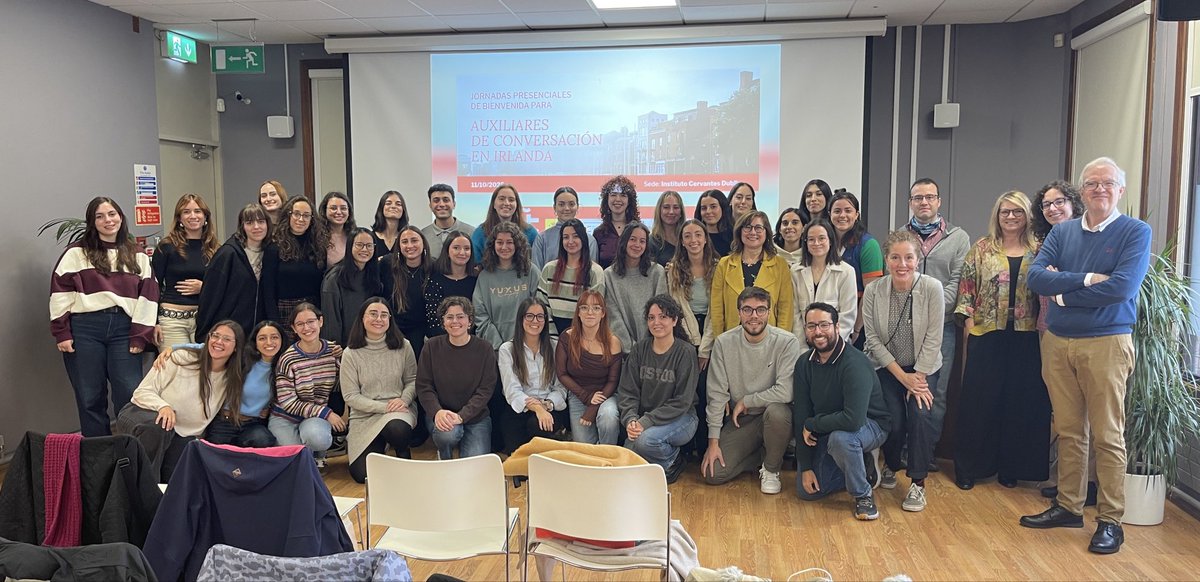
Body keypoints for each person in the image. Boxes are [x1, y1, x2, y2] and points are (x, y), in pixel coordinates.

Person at [1021, 157, 1152, 555]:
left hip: (1107, 342)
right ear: (1082, 191)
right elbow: (1036, 277)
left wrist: (1062, 293)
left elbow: (1122, 289)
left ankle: (1111, 520)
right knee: (1069, 429)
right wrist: (1085, 280)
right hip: (1058, 342)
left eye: (1107, 183)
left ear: (1120, 190)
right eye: (1092, 184)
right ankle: (1068, 506)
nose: (1099, 189)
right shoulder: (1062, 232)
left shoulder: (1135, 232)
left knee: (1108, 434)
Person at [953, 191, 1049, 491]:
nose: (1010, 217)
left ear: (1027, 216)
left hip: (1027, 335)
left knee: (1020, 402)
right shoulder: (981, 249)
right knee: (979, 402)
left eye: (1017, 212)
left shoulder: (1041, 249)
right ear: (997, 215)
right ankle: (971, 468)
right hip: (987, 332)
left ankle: (1012, 468)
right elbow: (966, 289)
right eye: (1005, 212)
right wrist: (967, 321)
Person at [51, 196, 157, 437]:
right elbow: (60, 293)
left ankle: (129, 457)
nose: (107, 220)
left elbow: (149, 297)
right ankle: (97, 461)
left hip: (124, 330)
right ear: (92, 222)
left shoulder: (137, 254)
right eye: (100, 216)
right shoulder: (76, 253)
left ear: (120, 217)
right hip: (85, 330)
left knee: (129, 396)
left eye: (112, 214)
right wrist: (62, 332)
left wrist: (140, 336)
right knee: (90, 397)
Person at [862, 230, 944, 511]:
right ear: (886, 260)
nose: (902, 264)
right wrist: (902, 377)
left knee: (920, 415)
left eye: (908, 257)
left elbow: (934, 337)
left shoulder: (932, 288)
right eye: (895, 257)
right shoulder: (874, 291)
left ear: (917, 260)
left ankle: (918, 484)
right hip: (888, 368)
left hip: (923, 368)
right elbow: (871, 339)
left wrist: (917, 379)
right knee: (894, 421)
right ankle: (892, 465)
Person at [793, 302, 892, 521]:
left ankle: (863, 494)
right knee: (807, 492)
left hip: (869, 424)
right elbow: (801, 415)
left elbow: (853, 420)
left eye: (824, 325)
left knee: (842, 440)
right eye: (811, 326)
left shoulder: (854, 363)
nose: (817, 331)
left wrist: (813, 425)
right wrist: (807, 466)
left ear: (837, 327)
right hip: (829, 426)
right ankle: (860, 465)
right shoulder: (803, 363)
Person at [116, 321, 244, 482]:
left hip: (181, 434)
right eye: (215, 336)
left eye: (226, 339)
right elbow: (141, 392)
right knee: (159, 427)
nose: (218, 342)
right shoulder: (181, 357)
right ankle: (142, 493)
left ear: (236, 346)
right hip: (140, 414)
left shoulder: (231, 379)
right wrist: (163, 406)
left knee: (176, 480)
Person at [701, 287, 800, 494]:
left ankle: (771, 468)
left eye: (760, 310)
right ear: (738, 313)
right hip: (743, 421)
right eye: (747, 310)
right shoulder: (723, 343)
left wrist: (747, 401)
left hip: (775, 416)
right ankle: (763, 452)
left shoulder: (787, 341)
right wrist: (713, 442)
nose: (754, 316)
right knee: (713, 473)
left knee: (777, 412)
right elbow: (716, 394)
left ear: (769, 312)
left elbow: (786, 392)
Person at [1029, 180, 1092, 501]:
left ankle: (1089, 485)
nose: (1053, 208)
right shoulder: (1046, 243)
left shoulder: (1087, 238)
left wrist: (1058, 279)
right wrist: (1056, 280)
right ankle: (1069, 485)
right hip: (1048, 329)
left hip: (1088, 334)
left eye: (1059, 202)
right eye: (1046, 205)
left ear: (1074, 203)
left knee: (1089, 413)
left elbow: (1090, 286)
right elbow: (1038, 282)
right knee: (1063, 413)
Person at [903, 178, 970, 460]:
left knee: (937, 393)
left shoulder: (958, 238)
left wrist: (931, 310)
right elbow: (895, 280)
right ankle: (904, 451)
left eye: (930, 197)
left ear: (939, 202)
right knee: (907, 389)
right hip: (905, 328)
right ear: (911, 203)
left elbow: (958, 282)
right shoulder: (900, 237)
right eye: (918, 198)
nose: (924, 202)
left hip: (943, 328)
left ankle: (926, 452)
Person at [617, 295, 698, 483]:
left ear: (674, 320)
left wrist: (646, 421)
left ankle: (673, 460)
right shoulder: (639, 349)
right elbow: (628, 391)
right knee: (627, 459)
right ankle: (657, 465)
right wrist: (630, 419)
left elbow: (682, 401)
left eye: (663, 317)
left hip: (683, 418)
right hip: (646, 421)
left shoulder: (685, 352)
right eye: (651, 317)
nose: (656, 322)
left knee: (645, 442)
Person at [340, 298, 418, 484]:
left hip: (399, 410)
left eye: (384, 315)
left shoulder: (403, 346)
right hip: (364, 415)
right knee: (362, 476)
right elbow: (350, 396)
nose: (379, 319)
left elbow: (413, 381)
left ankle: (402, 451)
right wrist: (383, 408)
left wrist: (404, 400)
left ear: (390, 319)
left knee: (396, 428)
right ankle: (381, 445)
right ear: (362, 318)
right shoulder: (350, 353)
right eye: (373, 314)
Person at [416, 296, 498, 459]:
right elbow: (424, 387)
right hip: (442, 414)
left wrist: (462, 416)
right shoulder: (431, 347)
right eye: (449, 317)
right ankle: (444, 456)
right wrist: (437, 412)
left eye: (460, 316)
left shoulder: (485, 349)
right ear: (443, 322)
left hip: (476, 417)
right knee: (447, 435)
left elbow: (485, 390)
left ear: (470, 321)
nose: (455, 321)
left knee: (474, 466)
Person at [269, 303, 344, 469]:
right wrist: (327, 413)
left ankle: (317, 454)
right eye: (300, 324)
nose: (307, 328)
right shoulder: (287, 358)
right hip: (285, 417)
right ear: (294, 329)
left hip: (314, 417)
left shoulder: (333, 352)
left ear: (321, 321)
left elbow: (345, 383)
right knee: (295, 459)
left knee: (318, 438)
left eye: (311, 321)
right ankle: (311, 459)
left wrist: (343, 358)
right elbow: (288, 402)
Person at [666, 219, 718, 454]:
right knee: (686, 392)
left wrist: (704, 348)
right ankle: (687, 449)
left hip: (713, 333)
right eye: (688, 236)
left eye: (698, 234)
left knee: (709, 392)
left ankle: (708, 445)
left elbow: (717, 311)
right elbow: (677, 309)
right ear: (682, 241)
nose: (693, 240)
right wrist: (690, 345)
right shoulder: (673, 269)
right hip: (684, 334)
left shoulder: (719, 267)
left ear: (706, 238)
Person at [497, 298, 569, 454]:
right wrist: (537, 408)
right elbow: (512, 391)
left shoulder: (555, 346)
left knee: (538, 425)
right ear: (521, 319)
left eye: (540, 316)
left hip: (549, 407)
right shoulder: (507, 349)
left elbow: (561, 387)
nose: (535, 321)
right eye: (529, 316)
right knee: (517, 458)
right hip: (519, 408)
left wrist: (547, 405)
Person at [710, 211, 794, 341]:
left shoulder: (780, 265)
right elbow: (716, 309)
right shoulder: (724, 264)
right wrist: (719, 339)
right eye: (747, 227)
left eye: (758, 228)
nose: (753, 232)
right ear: (740, 232)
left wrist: (781, 342)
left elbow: (785, 308)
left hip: (769, 339)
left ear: (766, 233)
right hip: (732, 338)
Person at [196, 204, 272, 340]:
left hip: (259, 333)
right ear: (242, 226)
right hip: (229, 332)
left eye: (261, 221)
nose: (256, 227)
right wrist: (204, 332)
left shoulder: (271, 253)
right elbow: (210, 295)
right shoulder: (227, 253)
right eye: (249, 222)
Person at [556, 290, 623, 445]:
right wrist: (586, 397)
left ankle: (608, 456)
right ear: (578, 313)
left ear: (603, 313)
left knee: (608, 416)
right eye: (584, 308)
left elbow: (613, 381)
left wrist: (593, 406)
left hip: (606, 394)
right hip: (578, 394)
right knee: (583, 448)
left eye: (596, 308)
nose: (590, 313)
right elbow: (562, 373)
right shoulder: (567, 337)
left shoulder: (613, 342)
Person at [204, 320, 283, 449]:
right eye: (262, 338)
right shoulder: (242, 358)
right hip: (225, 420)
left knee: (263, 439)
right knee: (216, 457)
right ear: (255, 342)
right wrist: (172, 348)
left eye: (274, 337)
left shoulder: (283, 366)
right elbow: (209, 349)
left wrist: (270, 407)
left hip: (253, 424)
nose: (269, 342)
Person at [152, 193, 217, 347]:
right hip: (171, 321)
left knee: (202, 369)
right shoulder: (166, 247)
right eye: (186, 212)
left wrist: (204, 287)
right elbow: (153, 286)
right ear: (179, 218)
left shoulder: (216, 249)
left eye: (197, 211)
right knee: (176, 368)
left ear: (205, 216)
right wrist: (154, 322)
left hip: (204, 320)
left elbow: (224, 287)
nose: (192, 216)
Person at [264, 196, 329, 339]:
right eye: (297, 214)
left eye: (306, 215)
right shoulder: (274, 248)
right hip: (284, 314)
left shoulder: (318, 247)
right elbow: (267, 289)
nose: (301, 219)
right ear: (288, 215)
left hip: (312, 312)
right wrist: (274, 323)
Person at [474, 222, 541, 349]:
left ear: (517, 244)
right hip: (494, 348)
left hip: (527, 345)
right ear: (493, 245)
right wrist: (500, 346)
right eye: (499, 242)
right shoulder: (485, 276)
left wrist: (524, 342)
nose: (504, 247)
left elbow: (539, 309)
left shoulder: (531, 271)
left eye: (509, 242)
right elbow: (480, 314)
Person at [603, 222, 668, 351]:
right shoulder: (609, 275)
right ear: (624, 241)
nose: (637, 245)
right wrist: (630, 348)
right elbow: (613, 316)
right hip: (623, 350)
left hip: (654, 347)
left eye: (642, 241)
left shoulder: (657, 272)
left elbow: (661, 312)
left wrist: (649, 346)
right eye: (632, 239)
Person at [829, 190, 882, 347]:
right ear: (829, 214)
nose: (842, 215)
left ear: (857, 214)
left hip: (859, 320)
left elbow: (870, 293)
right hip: (830, 317)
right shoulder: (825, 243)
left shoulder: (868, 245)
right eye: (837, 211)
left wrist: (856, 328)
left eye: (848, 210)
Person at [790, 220, 856, 342]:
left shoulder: (846, 272)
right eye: (811, 239)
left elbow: (848, 316)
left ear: (830, 240)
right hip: (804, 344)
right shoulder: (796, 271)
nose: (816, 243)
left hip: (835, 344)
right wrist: (802, 345)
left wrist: (831, 345)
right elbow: (795, 314)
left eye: (821, 238)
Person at [537, 218, 605, 337]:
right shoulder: (549, 269)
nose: (570, 241)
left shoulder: (595, 271)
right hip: (552, 338)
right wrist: (554, 340)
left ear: (583, 239)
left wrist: (577, 340)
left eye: (575, 236)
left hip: (584, 338)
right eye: (566, 237)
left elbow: (595, 311)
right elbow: (542, 307)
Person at [321, 227, 383, 345]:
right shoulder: (334, 278)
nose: (365, 249)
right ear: (350, 247)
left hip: (370, 342)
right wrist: (336, 346)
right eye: (359, 245)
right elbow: (331, 320)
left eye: (369, 245)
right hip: (344, 345)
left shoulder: (374, 275)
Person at [381, 225, 431, 356]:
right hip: (392, 329)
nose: (409, 245)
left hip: (421, 331)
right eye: (404, 242)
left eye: (414, 240)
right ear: (399, 246)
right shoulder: (387, 264)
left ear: (423, 243)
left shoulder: (433, 267)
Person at [423, 232, 478, 338]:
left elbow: (477, 315)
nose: (462, 252)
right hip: (441, 340)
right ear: (447, 251)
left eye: (467, 248)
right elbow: (433, 319)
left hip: (471, 339)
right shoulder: (435, 280)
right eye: (456, 248)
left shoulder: (475, 280)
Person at [531, 186, 599, 269]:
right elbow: (537, 273)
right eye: (561, 204)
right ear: (554, 207)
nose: (566, 208)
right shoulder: (542, 239)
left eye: (571, 204)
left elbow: (593, 272)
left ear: (577, 206)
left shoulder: (589, 240)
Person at [470, 183, 538, 262]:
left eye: (511, 200)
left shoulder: (530, 232)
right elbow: (475, 265)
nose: (506, 203)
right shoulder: (480, 233)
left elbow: (535, 262)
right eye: (501, 199)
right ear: (494, 204)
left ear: (517, 205)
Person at [593, 176, 640, 268]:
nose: (618, 199)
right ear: (607, 199)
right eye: (613, 195)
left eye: (623, 195)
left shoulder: (638, 230)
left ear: (629, 200)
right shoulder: (599, 232)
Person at [420, 184, 474, 260]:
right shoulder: (423, 235)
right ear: (430, 206)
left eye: (446, 200)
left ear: (454, 204)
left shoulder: (471, 232)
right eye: (436, 200)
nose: (441, 204)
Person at [648, 190, 685, 266]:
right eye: (666, 207)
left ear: (681, 212)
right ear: (659, 211)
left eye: (676, 207)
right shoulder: (651, 242)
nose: (671, 212)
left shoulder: (687, 239)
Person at [319, 191, 355, 267]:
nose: (339, 212)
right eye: (333, 208)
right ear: (324, 211)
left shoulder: (355, 236)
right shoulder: (317, 237)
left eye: (343, 208)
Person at [370, 190, 410, 258]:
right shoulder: (370, 238)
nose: (393, 206)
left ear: (403, 210)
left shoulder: (408, 239)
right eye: (388, 203)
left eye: (398, 204)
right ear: (381, 208)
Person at [695, 189, 734, 257]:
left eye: (713, 207)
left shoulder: (734, 236)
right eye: (704, 208)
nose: (708, 211)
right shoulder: (694, 237)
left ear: (723, 208)